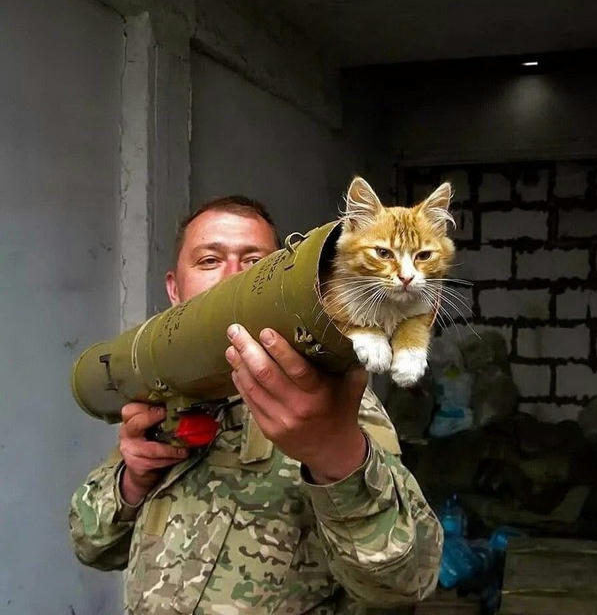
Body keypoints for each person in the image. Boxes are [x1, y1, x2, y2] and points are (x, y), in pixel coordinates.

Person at [69, 195, 443, 614]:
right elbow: (93, 546)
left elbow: (407, 582)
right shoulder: (164, 391)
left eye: (253, 263)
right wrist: (132, 481)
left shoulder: (330, 402)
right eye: (209, 260)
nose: (231, 278)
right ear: (174, 289)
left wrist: (336, 454)